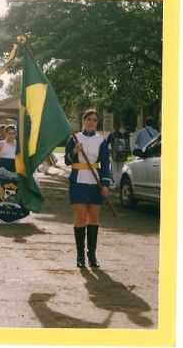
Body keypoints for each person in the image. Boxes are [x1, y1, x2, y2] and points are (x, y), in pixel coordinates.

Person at [65, 109, 112, 268]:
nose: (91, 122)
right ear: (83, 121)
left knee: (94, 217)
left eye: (94, 120)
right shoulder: (75, 138)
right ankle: (80, 256)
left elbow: (106, 163)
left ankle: (91, 255)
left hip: (95, 182)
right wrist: (74, 151)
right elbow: (67, 160)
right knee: (80, 217)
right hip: (78, 181)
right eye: (89, 119)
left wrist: (105, 184)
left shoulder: (101, 141)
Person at [107, 122, 131, 188]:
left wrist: (109, 150)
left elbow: (107, 144)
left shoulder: (111, 135)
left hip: (114, 154)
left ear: (114, 127)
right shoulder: (122, 135)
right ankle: (119, 184)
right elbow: (127, 145)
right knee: (120, 169)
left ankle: (116, 184)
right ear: (119, 127)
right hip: (122, 155)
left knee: (115, 170)